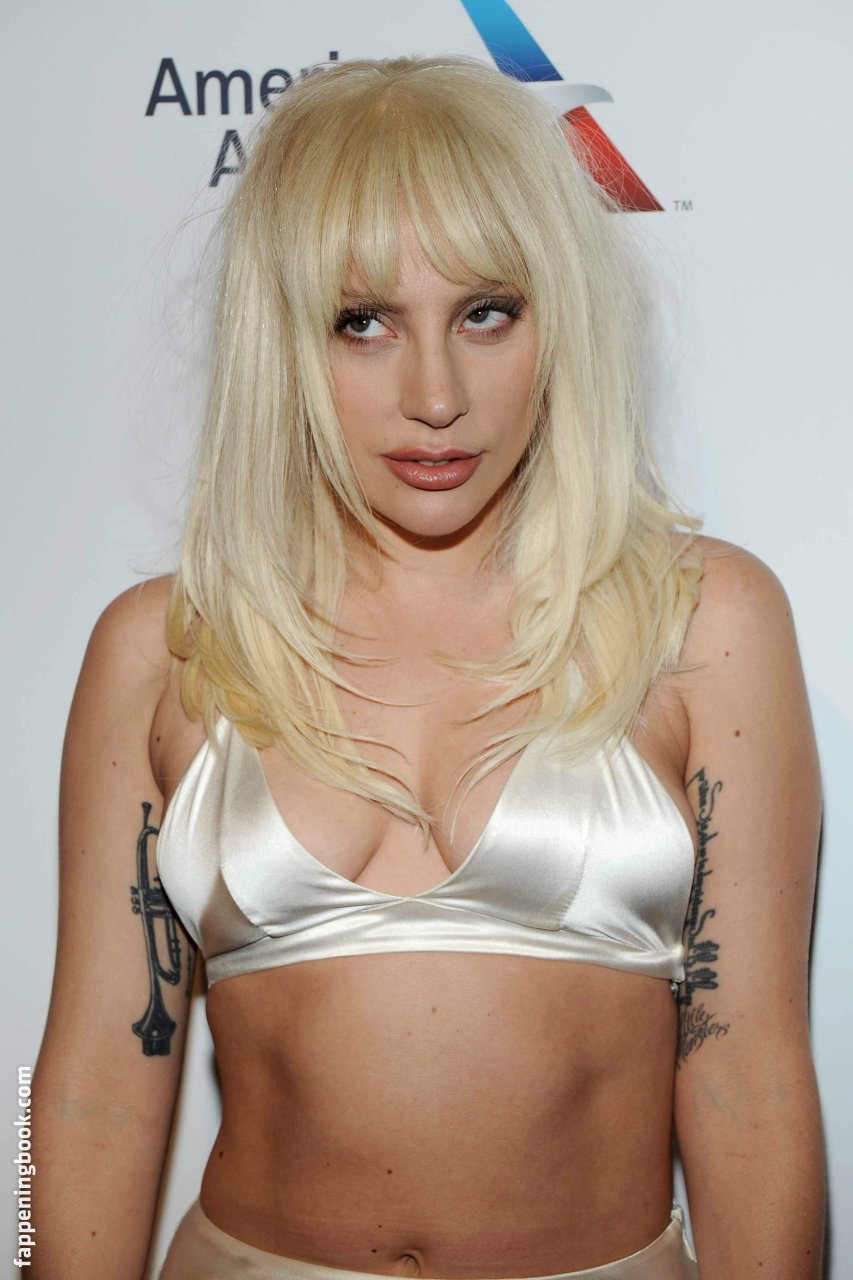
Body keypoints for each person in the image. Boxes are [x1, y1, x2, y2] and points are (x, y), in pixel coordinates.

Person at [32, 54, 824, 1280]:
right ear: (282, 339)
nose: (435, 394)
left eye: (485, 312)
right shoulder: (163, 645)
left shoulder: (704, 620)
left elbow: (749, 1075)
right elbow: (92, 1086)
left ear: (557, 316)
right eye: (364, 322)